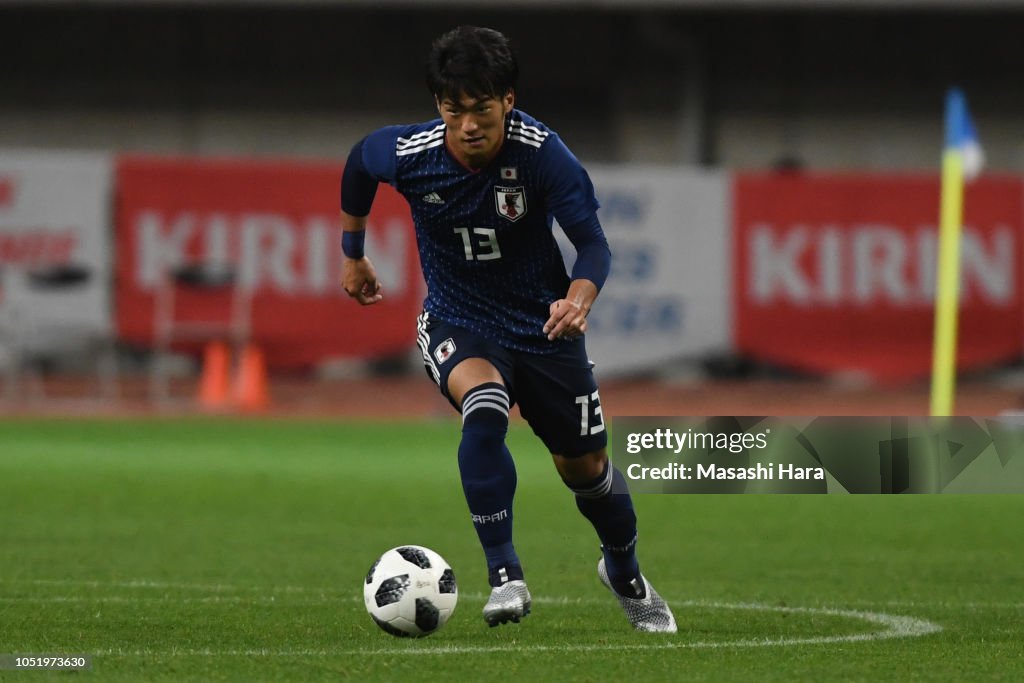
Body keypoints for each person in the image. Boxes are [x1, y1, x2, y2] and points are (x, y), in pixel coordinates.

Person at [340, 25, 676, 633]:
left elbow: (593, 247)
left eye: (482, 108)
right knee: (485, 404)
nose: (469, 124)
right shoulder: (411, 153)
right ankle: (506, 576)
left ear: (508, 101)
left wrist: (579, 295)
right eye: (454, 109)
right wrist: (353, 251)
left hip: (543, 329)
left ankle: (624, 573)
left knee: (588, 470)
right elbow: (360, 162)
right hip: (457, 319)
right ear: (440, 107)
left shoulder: (542, 153)